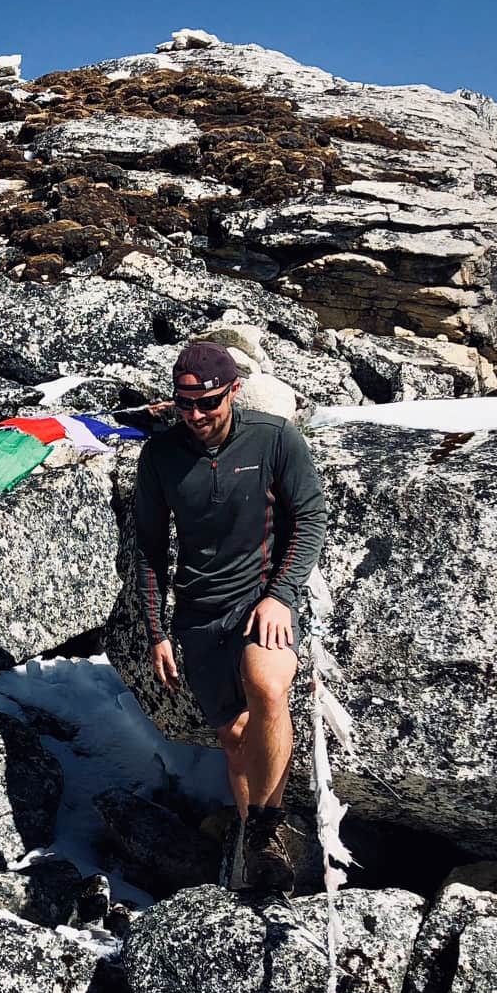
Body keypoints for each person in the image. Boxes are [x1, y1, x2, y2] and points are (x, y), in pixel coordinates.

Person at [134, 338, 328, 890]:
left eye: (208, 403)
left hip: (257, 602)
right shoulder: (161, 456)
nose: (195, 416)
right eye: (184, 405)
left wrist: (280, 595)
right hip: (197, 615)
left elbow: (310, 515)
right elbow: (149, 547)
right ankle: (259, 859)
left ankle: (268, 826)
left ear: (233, 392)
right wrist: (156, 632)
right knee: (235, 737)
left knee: (269, 686)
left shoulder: (273, 438)